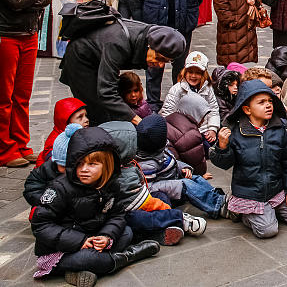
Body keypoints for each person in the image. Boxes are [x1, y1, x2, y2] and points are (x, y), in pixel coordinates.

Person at [29, 126, 160, 286]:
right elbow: (41, 224)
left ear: (107, 165)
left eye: (92, 164)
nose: (84, 169)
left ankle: (83, 270)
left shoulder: (112, 185)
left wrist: (106, 236)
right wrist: (79, 241)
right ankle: (125, 257)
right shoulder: (60, 188)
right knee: (89, 258)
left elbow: (117, 216)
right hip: (61, 249)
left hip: (92, 237)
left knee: (126, 233)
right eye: (79, 163)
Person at [210, 80, 287, 238]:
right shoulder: (236, 132)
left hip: (275, 190)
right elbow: (224, 163)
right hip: (250, 194)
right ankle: (244, 213)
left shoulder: (279, 129)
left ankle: (269, 210)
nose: (268, 105)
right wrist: (222, 146)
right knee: (268, 230)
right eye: (261, 102)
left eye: (270, 101)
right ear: (247, 109)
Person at [99, 121, 206, 246]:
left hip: (140, 199)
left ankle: (167, 226)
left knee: (161, 196)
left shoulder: (128, 165)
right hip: (125, 211)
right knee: (137, 218)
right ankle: (178, 218)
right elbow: (132, 200)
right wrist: (157, 206)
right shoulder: (111, 172)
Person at [0, 0, 52, 168]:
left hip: (29, 34)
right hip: (5, 35)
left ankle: (21, 143)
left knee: (22, 95)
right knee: (4, 97)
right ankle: (4, 149)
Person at [59, 21, 185, 125]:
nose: (160, 65)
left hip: (99, 57)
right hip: (80, 61)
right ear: (149, 45)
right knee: (97, 112)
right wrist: (137, 120)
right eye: (159, 58)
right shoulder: (118, 44)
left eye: (166, 61)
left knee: (110, 110)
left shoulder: (145, 36)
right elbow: (107, 92)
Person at [139, 0, 205, 108]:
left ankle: (178, 100)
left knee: (180, 66)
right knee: (153, 66)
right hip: (157, 25)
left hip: (182, 26)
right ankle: (153, 103)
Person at [135, 114, 229, 219]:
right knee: (187, 184)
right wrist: (176, 185)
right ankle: (218, 206)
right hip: (167, 193)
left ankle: (218, 197)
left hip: (173, 179)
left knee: (196, 178)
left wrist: (184, 168)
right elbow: (150, 187)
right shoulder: (147, 163)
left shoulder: (159, 149)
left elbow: (173, 161)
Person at [159, 51, 221, 145]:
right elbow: (168, 113)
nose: (193, 76)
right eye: (190, 72)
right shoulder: (177, 90)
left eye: (198, 73)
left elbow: (213, 110)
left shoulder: (208, 89)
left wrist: (213, 128)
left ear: (203, 74)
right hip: (182, 131)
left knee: (215, 144)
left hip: (203, 130)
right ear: (185, 71)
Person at [25, 123, 82, 206]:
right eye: (63, 166)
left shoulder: (85, 174)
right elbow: (32, 187)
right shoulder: (46, 169)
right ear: (55, 162)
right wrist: (44, 201)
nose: (67, 170)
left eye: (72, 166)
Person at [35, 98, 89, 168]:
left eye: (86, 116)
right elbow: (55, 163)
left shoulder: (80, 132)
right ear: (66, 121)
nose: (86, 120)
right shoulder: (55, 141)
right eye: (80, 117)